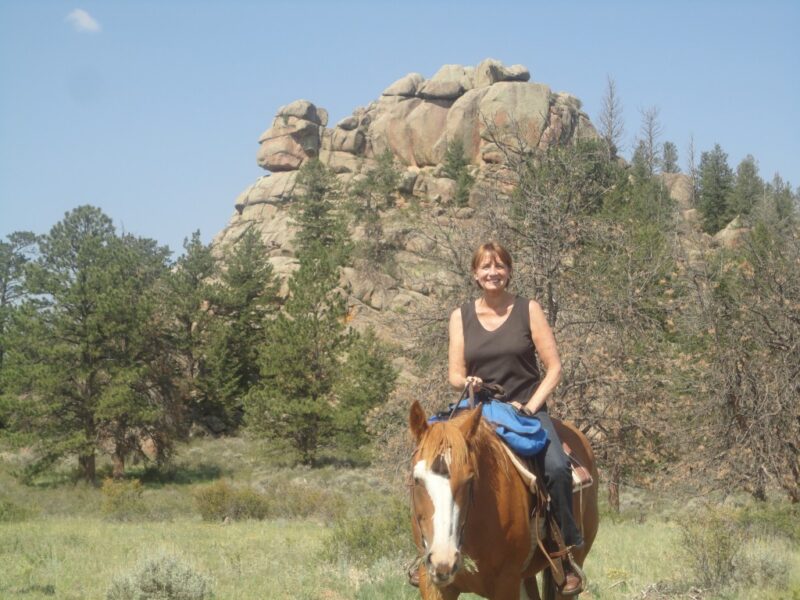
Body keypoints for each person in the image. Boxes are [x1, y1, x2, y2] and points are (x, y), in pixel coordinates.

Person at [448, 241, 583, 595]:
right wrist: (468, 382)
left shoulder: (528, 310)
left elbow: (554, 368)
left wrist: (532, 405)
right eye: (485, 267)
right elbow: (454, 374)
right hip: (479, 411)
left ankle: (563, 553)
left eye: (499, 266)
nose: (493, 272)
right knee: (432, 462)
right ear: (475, 274)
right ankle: (430, 552)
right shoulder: (460, 316)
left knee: (555, 468)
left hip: (526, 409)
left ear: (509, 271)